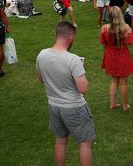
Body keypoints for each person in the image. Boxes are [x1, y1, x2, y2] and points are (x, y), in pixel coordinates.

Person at [36, 22, 94, 166]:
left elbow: (41, 79)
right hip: (74, 107)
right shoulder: (73, 60)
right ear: (71, 38)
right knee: (85, 143)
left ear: (56, 35)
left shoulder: (42, 54)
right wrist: (81, 71)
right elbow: (83, 88)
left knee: (60, 141)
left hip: (54, 105)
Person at [100, 6, 133, 111]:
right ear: (120, 15)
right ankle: (125, 105)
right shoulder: (126, 28)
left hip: (110, 55)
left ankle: (112, 104)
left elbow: (103, 43)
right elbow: (130, 42)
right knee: (123, 82)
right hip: (123, 55)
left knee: (114, 80)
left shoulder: (104, 28)